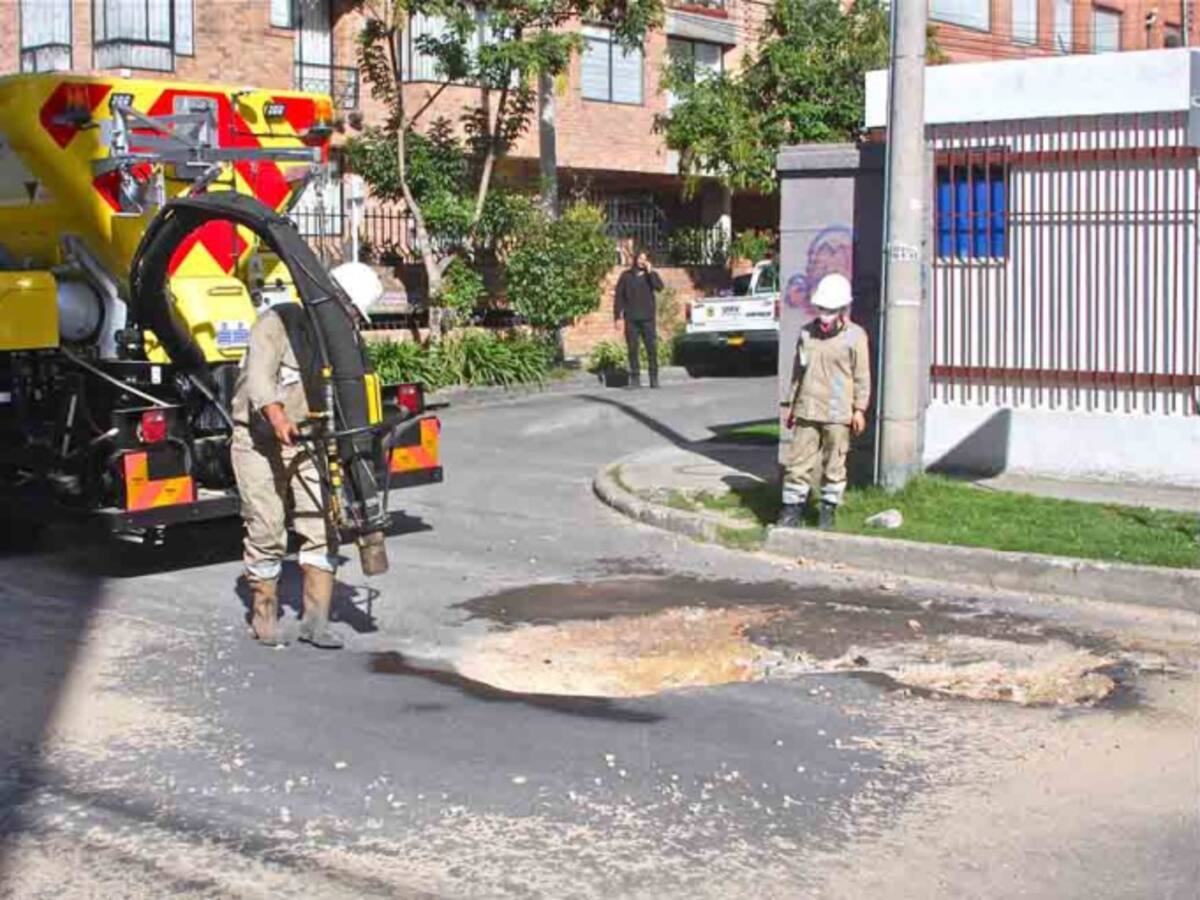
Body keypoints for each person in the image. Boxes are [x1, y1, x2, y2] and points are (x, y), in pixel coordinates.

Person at [231, 263, 383, 649]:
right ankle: (264, 616)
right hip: (259, 441)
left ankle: (315, 622)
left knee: (322, 527)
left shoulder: (337, 342)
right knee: (267, 527)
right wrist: (277, 416)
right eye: (350, 311)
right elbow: (259, 380)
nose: (351, 320)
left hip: (307, 441)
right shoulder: (277, 323)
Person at [777, 273, 870, 530]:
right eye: (821, 309)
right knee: (797, 464)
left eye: (831, 310)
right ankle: (792, 510)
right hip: (807, 408)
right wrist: (791, 405)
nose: (825, 315)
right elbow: (798, 372)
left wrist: (859, 409)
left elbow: (862, 376)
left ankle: (828, 510)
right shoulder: (806, 334)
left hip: (838, 412)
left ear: (842, 309)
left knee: (834, 465)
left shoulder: (855, 336)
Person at [614, 248, 664, 389]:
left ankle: (653, 378)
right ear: (636, 259)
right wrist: (617, 316)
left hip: (648, 318)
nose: (642, 261)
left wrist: (650, 272)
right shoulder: (626, 276)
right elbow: (619, 297)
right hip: (631, 318)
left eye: (645, 259)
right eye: (640, 258)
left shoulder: (651, 275)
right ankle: (635, 379)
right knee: (632, 349)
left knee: (651, 348)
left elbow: (659, 287)